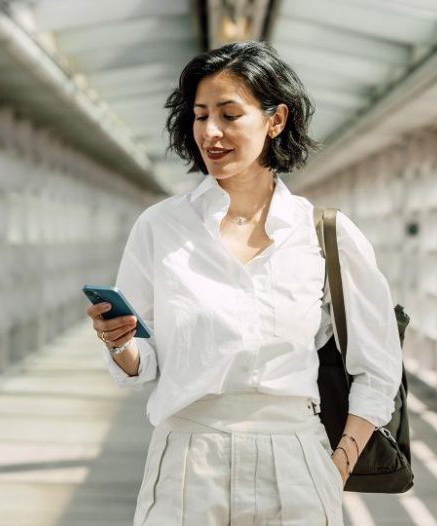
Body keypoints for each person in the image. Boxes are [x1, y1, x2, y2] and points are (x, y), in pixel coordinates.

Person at [86, 40, 402, 525]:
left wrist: (332, 470)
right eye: (200, 116)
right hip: (187, 457)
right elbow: (142, 364)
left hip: (296, 457)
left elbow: (378, 368)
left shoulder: (324, 234)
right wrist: (120, 343)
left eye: (229, 115)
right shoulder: (160, 227)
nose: (210, 132)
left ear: (276, 120)